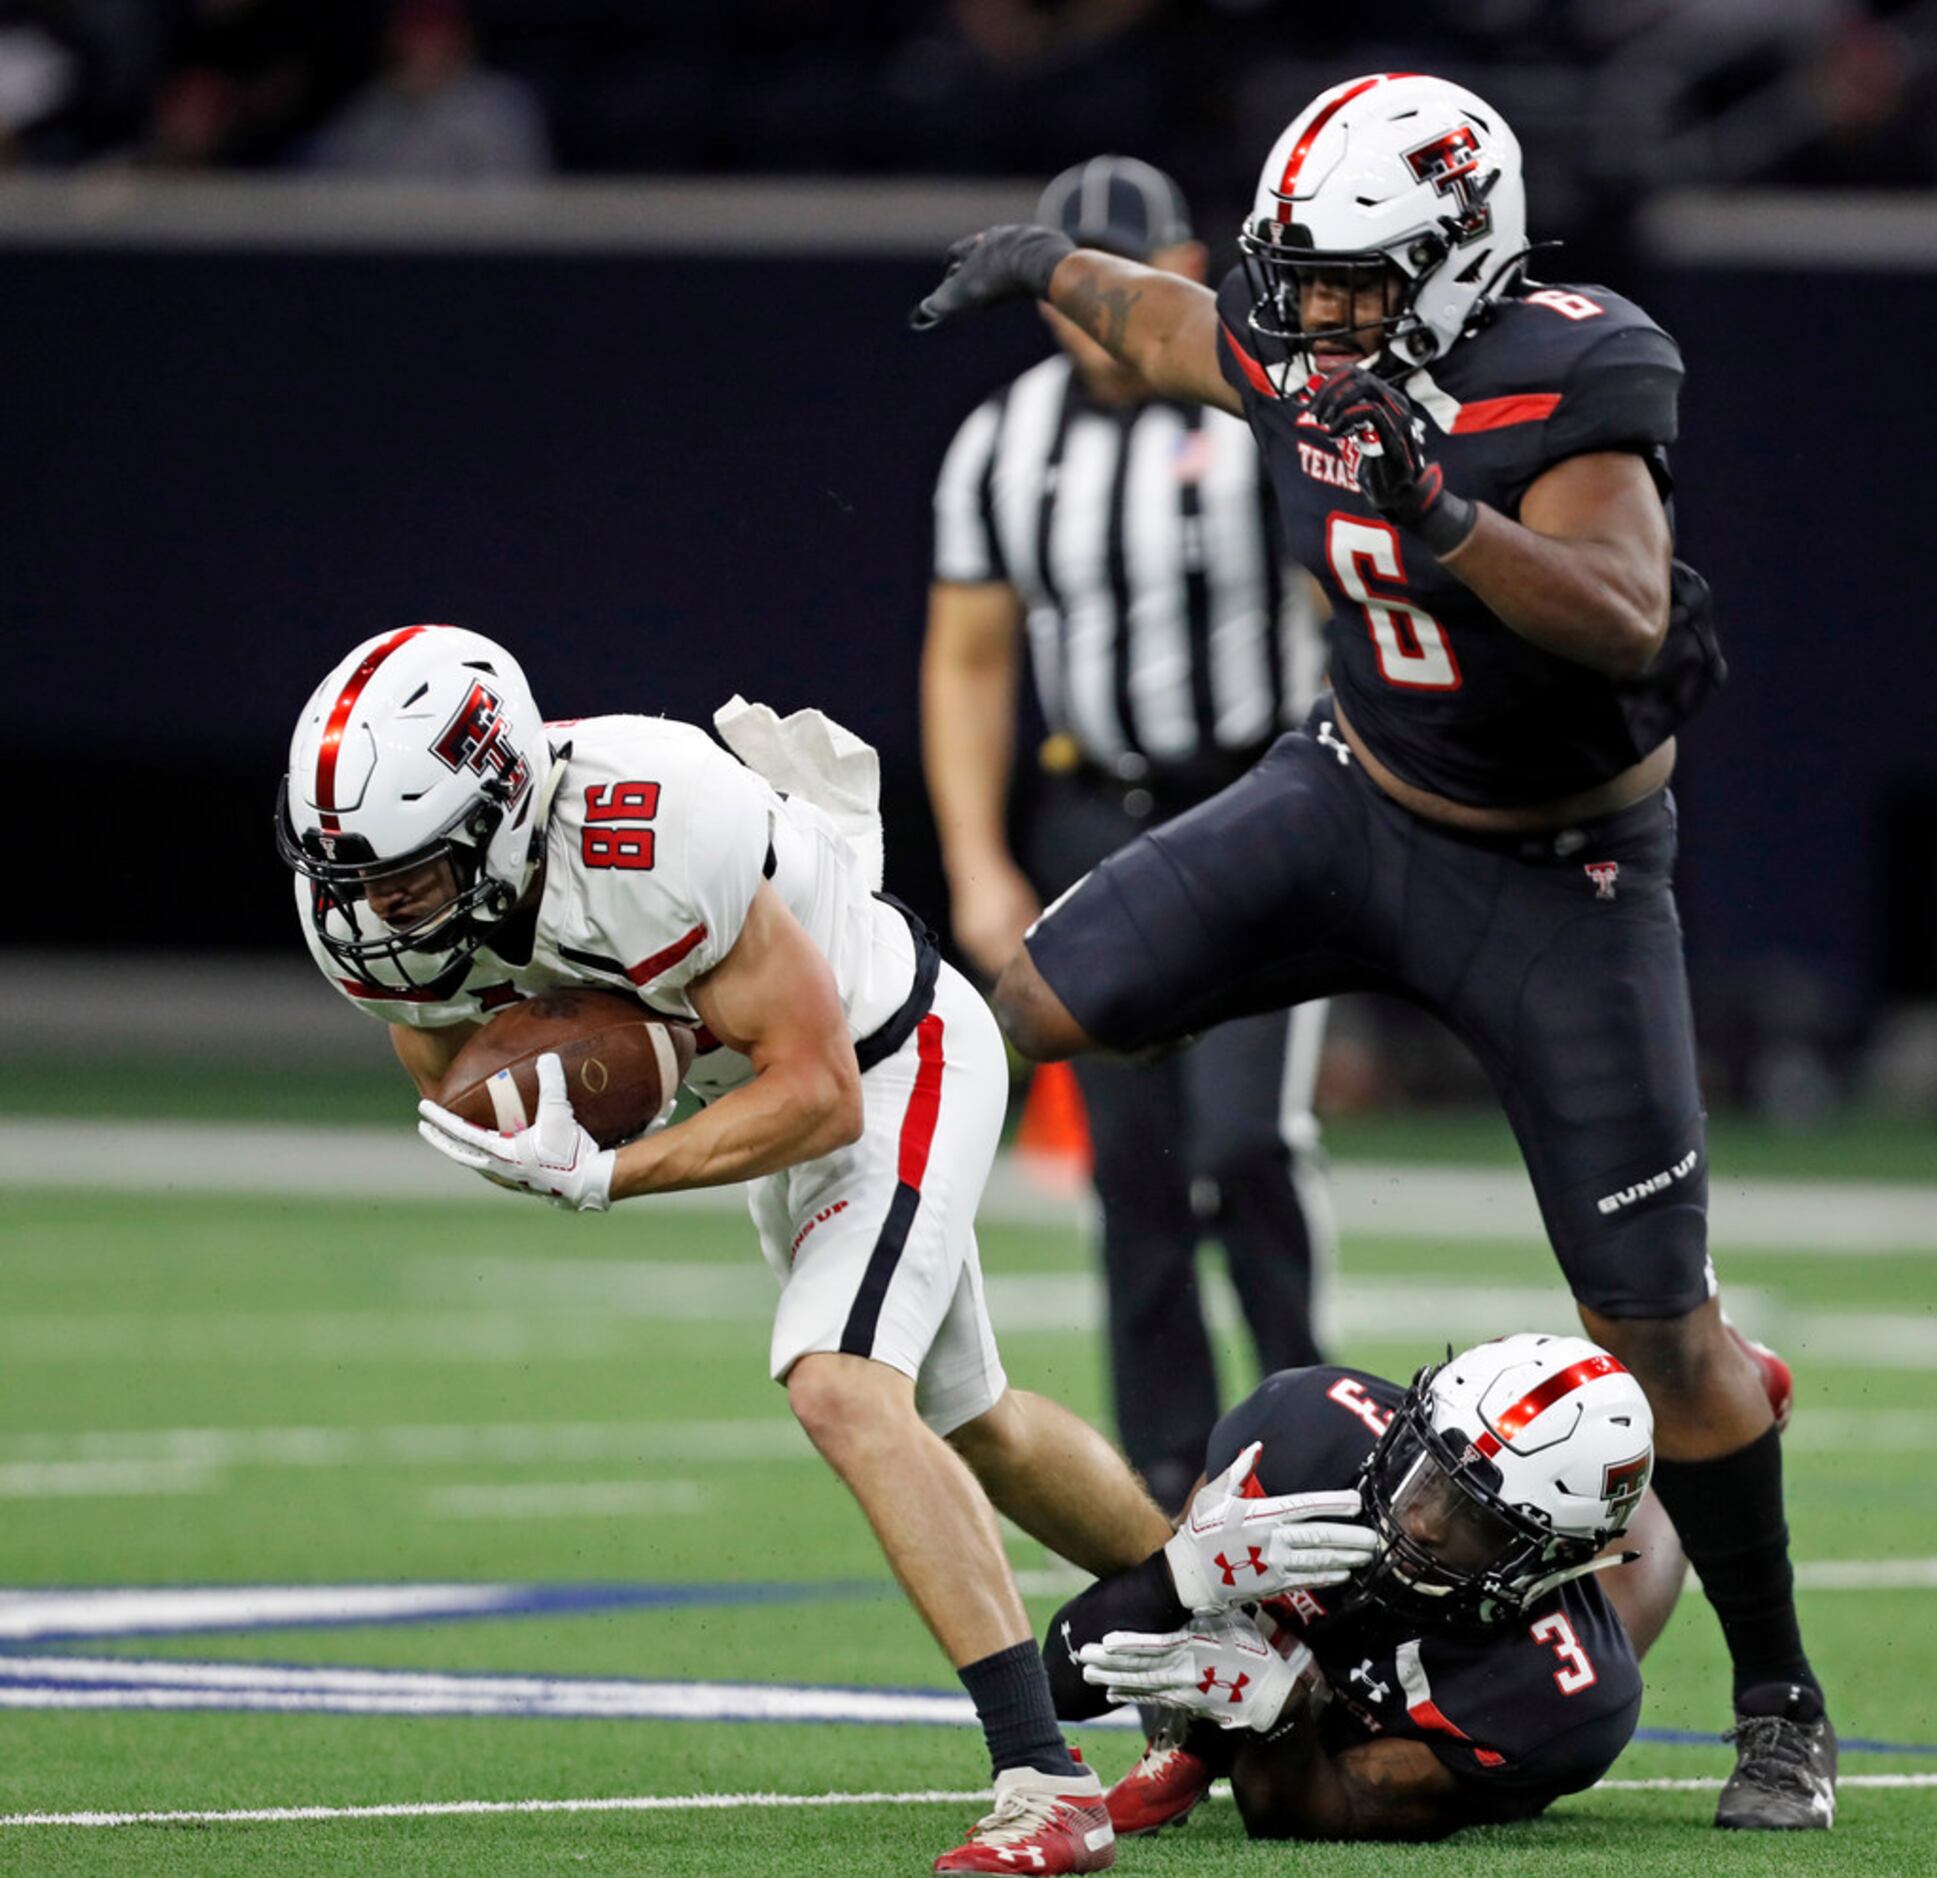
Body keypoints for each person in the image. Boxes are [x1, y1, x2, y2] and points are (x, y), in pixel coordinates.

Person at [910, 71, 1834, 1830]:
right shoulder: (1291, 332)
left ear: (1456, 255)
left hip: (1554, 878)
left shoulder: (1573, 367)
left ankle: (1780, 1695)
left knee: (1655, 1326)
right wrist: (1045, 265)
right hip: (1345, 796)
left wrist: (1445, 515)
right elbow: (1176, 324)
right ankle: (836, 1202)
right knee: (1019, 1001)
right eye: (1302, 278)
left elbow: (1624, 604)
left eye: (1351, 282)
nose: (1315, 315)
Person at [276, 623, 1173, 1874]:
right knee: (978, 1420)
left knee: (841, 1389)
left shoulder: (649, 821)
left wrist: (605, 1171)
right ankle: (1222, 1619)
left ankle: (1042, 1776)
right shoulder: (367, 919)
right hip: (763, 1094)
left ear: (498, 810)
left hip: (892, 1053)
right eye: (350, 875)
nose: (370, 911)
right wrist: (576, 1084)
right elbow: (458, 1072)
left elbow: (819, 1096)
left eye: (405, 876)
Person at [923, 153, 1334, 1515]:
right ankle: (1170, 1460)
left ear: (1188, 272)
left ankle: (1314, 1417)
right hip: (1094, 811)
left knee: (1241, 1139)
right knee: (1138, 1168)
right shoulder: (1005, 440)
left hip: (1260, 798)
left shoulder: (1261, 419)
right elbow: (970, 658)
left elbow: (1349, 609)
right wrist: (980, 858)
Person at [1043, 1332, 1685, 1841]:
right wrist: (1181, 1576)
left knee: (1651, 1555)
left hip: (1461, 1680)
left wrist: (1276, 1714)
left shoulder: (1557, 1697)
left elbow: (1322, 1811)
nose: (1422, 1519)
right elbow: (1062, 1683)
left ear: (1548, 1558)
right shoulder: (1304, 1428)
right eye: (1425, 1471)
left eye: (1477, 1522)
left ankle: (1703, 1423)